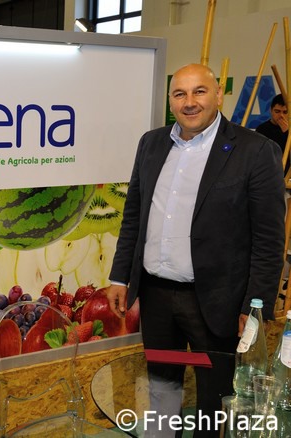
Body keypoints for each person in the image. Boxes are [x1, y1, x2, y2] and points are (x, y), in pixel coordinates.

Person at [106, 64, 285, 437]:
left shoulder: (254, 151)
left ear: (218, 94)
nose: (189, 102)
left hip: (217, 302)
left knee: (213, 399)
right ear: (171, 101)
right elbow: (134, 215)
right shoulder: (151, 144)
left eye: (199, 91)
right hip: (156, 298)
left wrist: (255, 307)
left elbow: (269, 240)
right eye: (180, 94)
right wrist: (120, 275)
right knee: (162, 387)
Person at [256, 93, 289, 172]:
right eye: (277, 111)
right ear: (271, 110)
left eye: (285, 112)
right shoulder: (262, 129)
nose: (281, 115)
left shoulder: (289, 131)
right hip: (269, 171)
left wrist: (287, 132)